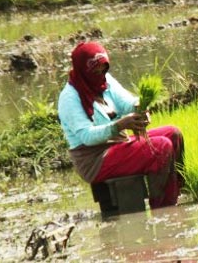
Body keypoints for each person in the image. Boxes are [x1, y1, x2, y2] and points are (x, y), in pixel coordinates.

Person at [57, 41, 184, 208]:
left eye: (103, 69)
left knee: (173, 134)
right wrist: (119, 125)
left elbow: (126, 102)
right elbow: (86, 136)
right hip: (95, 158)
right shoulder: (70, 98)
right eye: (95, 71)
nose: (100, 74)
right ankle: (162, 207)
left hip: (117, 143)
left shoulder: (105, 81)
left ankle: (175, 194)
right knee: (161, 147)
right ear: (83, 71)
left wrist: (140, 108)